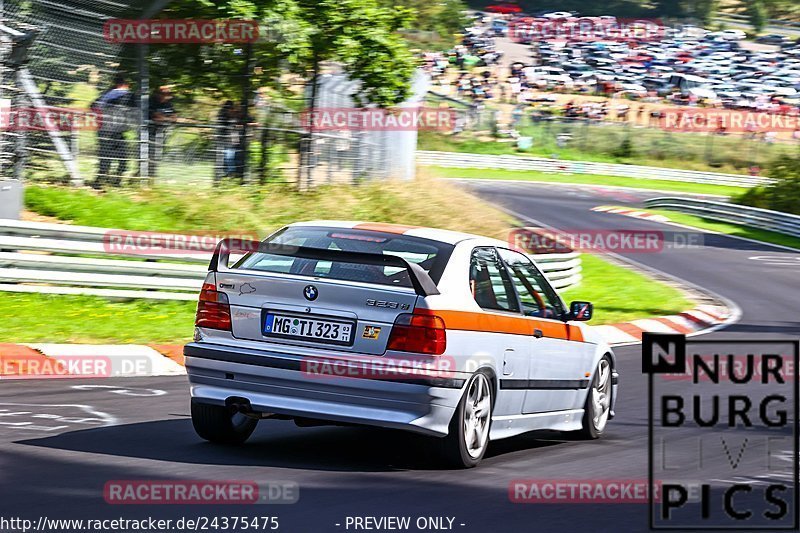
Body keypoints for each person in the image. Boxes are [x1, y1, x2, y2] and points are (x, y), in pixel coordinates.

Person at [90, 74, 134, 188]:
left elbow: (93, 106)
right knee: (122, 156)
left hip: (105, 128)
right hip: (116, 130)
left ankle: (101, 180)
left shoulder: (106, 94)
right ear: (125, 85)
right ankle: (115, 181)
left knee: (106, 155)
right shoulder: (125, 94)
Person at [148, 86, 177, 179]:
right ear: (158, 94)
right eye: (165, 94)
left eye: (169, 94)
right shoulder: (151, 102)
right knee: (148, 156)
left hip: (161, 133)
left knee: (157, 156)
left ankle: (151, 176)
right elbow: (156, 118)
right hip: (149, 133)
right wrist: (167, 119)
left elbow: (174, 118)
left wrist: (164, 118)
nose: (168, 96)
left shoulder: (168, 104)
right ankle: (143, 176)